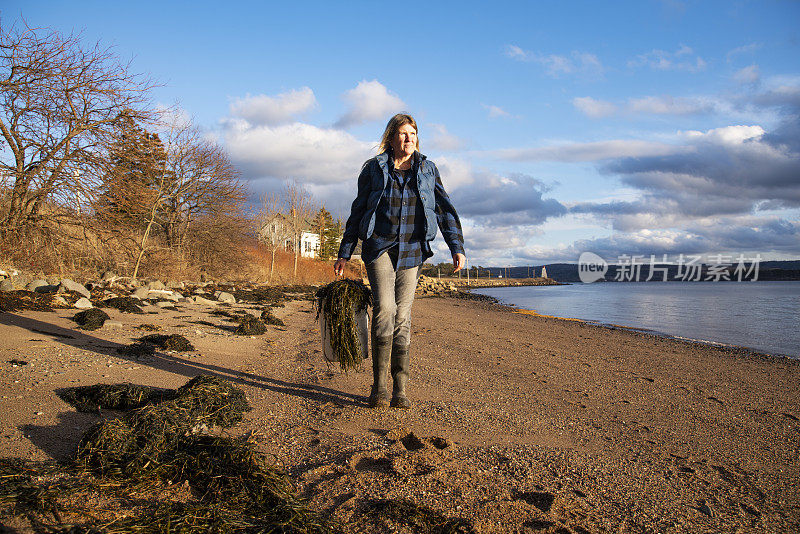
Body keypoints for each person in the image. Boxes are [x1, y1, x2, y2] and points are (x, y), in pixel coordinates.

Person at [334, 114, 466, 409]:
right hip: (379, 246)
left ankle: (400, 389)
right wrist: (344, 252)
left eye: (413, 134)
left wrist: (456, 246)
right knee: (385, 308)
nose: (409, 139)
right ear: (391, 138)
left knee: (403, 315)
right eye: (403, 134)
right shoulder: (373, 169)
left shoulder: (428, 169)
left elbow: (444, 210)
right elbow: (357, 213)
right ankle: (379, 387)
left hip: (413, 250)